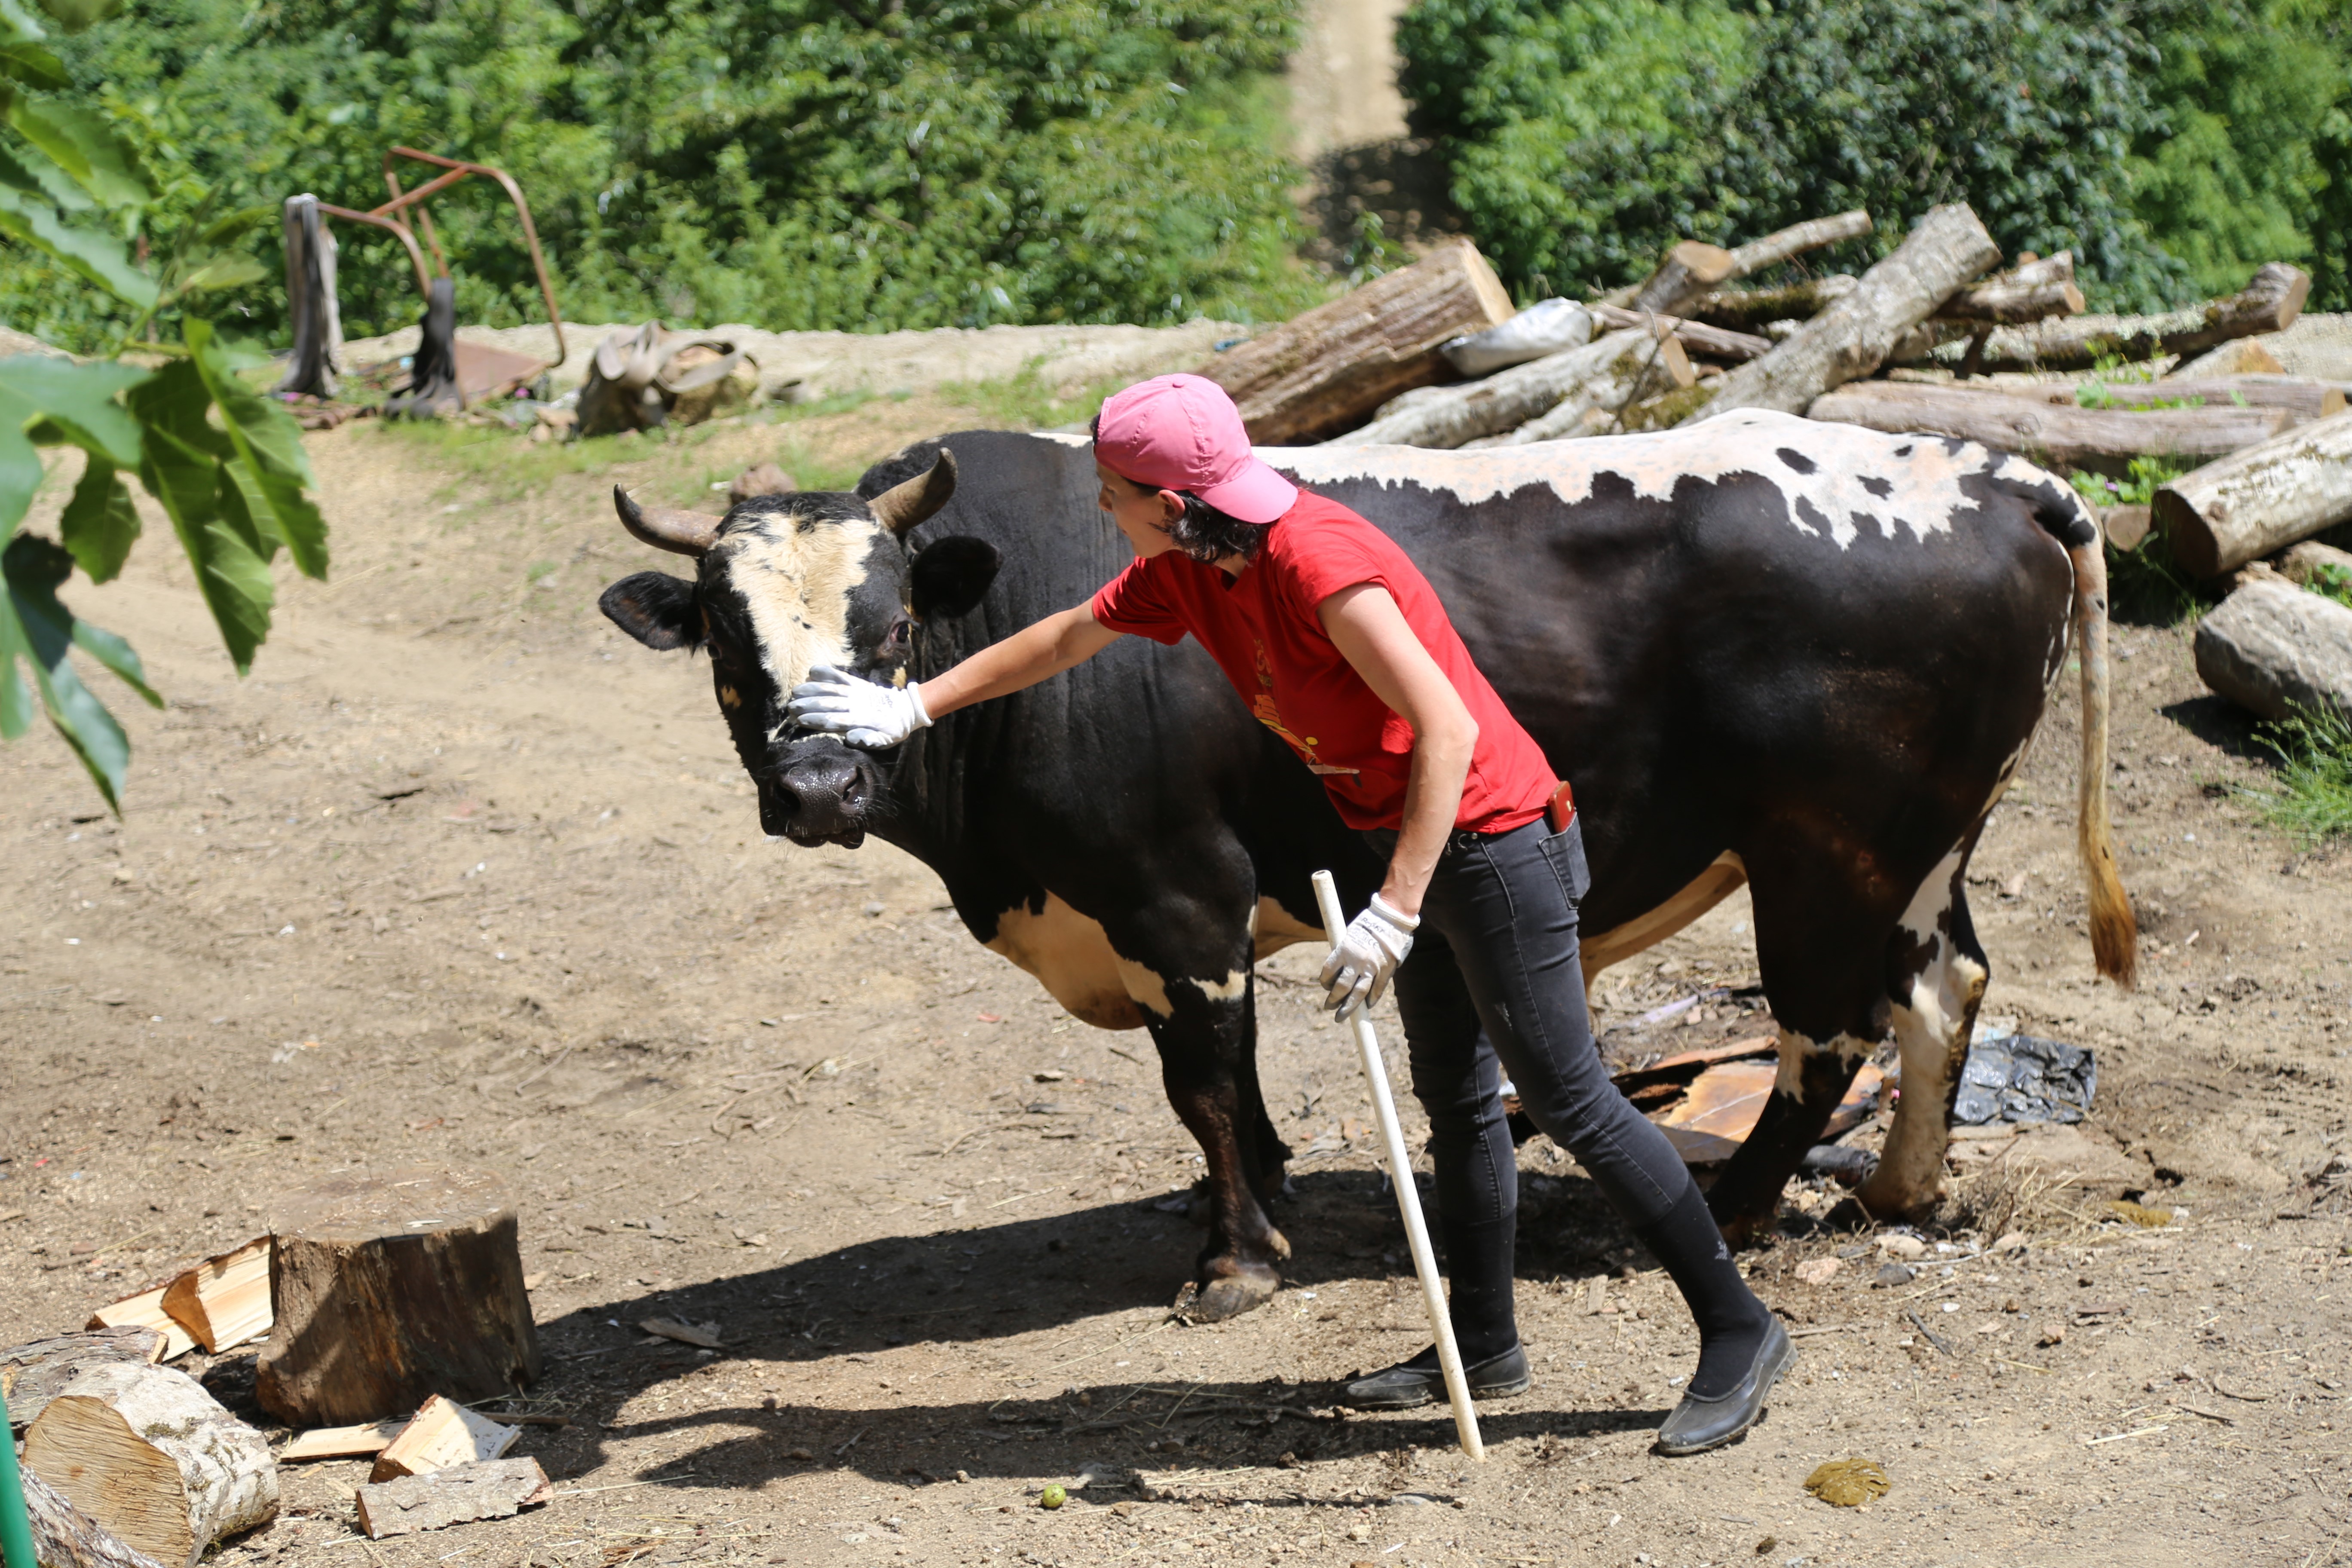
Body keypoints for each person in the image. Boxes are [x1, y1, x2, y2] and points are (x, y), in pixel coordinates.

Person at [787, 373, 1790, 1454]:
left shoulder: (1321, 560)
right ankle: (1484, 1343)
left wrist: (1397, 908)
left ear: (1172, 502)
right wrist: (910, 705)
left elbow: (1445, 731)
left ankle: (1741, 1328)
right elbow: (1070, 636)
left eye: (1111, 490)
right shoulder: (1195, 568)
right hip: (1408, 844)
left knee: (1574, 1102)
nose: (1099, 508)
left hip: (1495, 846)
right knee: (1454, 1102)